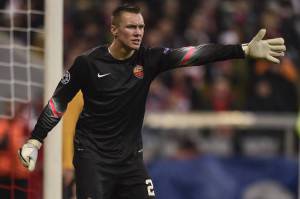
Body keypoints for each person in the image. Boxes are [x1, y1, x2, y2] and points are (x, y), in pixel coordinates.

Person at [18, 4, 286, 199]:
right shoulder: (88, 64)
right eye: (131, 26)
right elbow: (58, 102)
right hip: (93, 159)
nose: (138, 32)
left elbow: (194, 54)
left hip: (131, 161)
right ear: (114, 29)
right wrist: (35, 139)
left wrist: (242, 50)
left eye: (141, 27)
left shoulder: (149, 59)